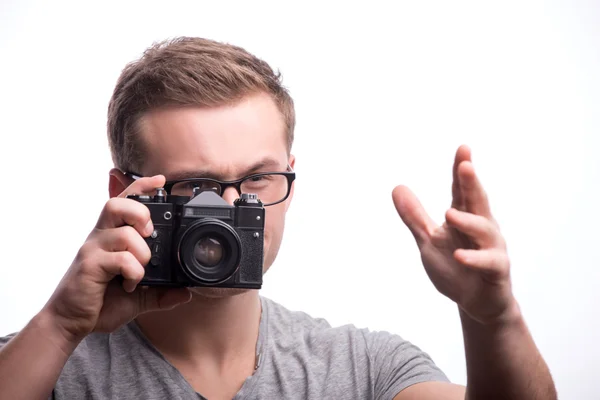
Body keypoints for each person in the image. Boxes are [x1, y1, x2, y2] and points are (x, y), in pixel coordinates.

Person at [0, 36, 557, 400]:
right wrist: (59, 325)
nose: (224, 211)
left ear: (290, 183)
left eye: (257, 181)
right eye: (195, 187)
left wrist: (493, 317)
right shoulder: (43, 365)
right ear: (126, 193)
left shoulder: (361, 369)